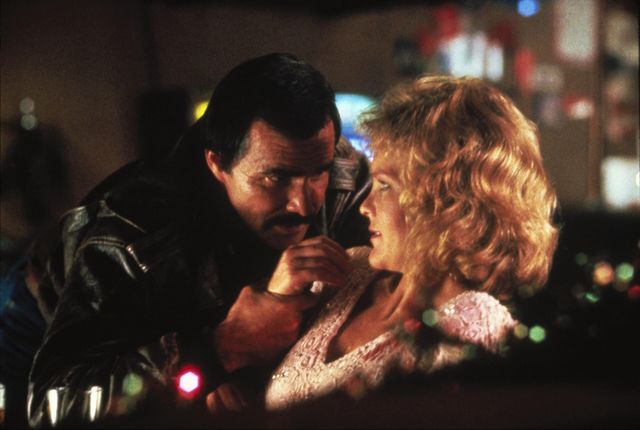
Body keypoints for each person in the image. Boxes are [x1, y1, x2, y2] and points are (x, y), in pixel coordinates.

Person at [24, 53, 371, 426]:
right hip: (40, 313)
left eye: (317, 173)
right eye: (275, 178)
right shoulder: (133, 234)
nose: (302, 204)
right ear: (217, 164)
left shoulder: (344, 176)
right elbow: (53, 402)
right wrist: (217, 349)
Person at [265, 75, 559, 411]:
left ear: (448, 202)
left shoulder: (474, 330)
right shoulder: (347, 272)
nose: (364, 206)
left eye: (385, 186)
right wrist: (276, 298)